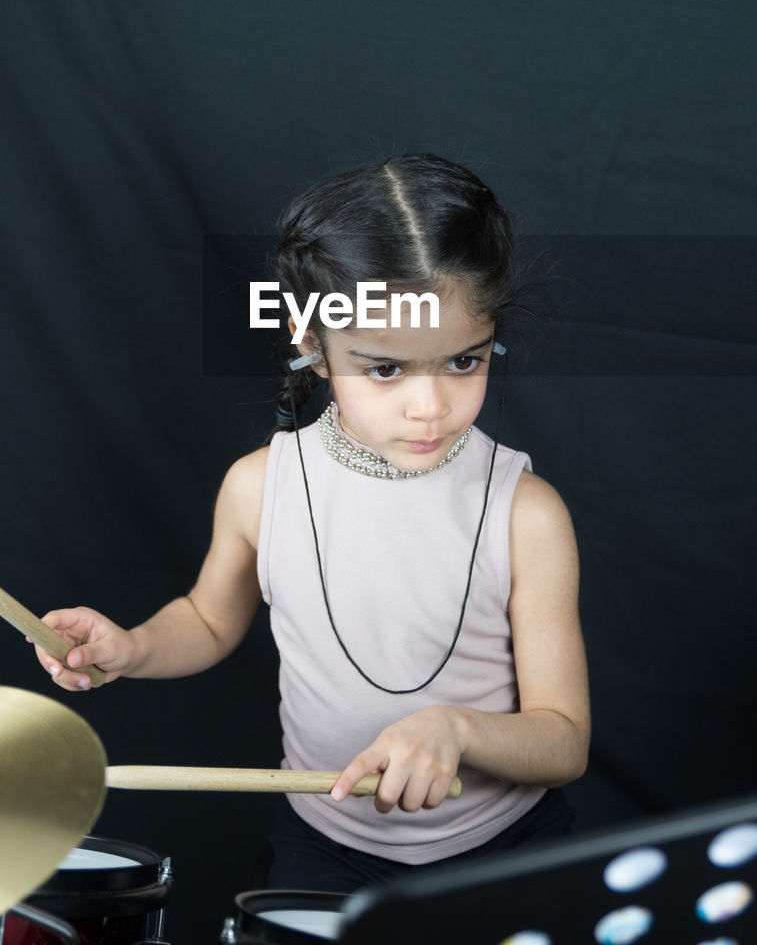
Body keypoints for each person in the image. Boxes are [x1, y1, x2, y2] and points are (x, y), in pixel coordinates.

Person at [32, 153, 590, 892]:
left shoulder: (526, 511)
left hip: (500, 850)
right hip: (321, 846)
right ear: (310, 343)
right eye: (385, 369)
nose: (430, 406)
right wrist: (132, 647)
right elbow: (206, 620)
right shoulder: (260, 486)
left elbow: (562, 741)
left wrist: (458, 728)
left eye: (463, 361)